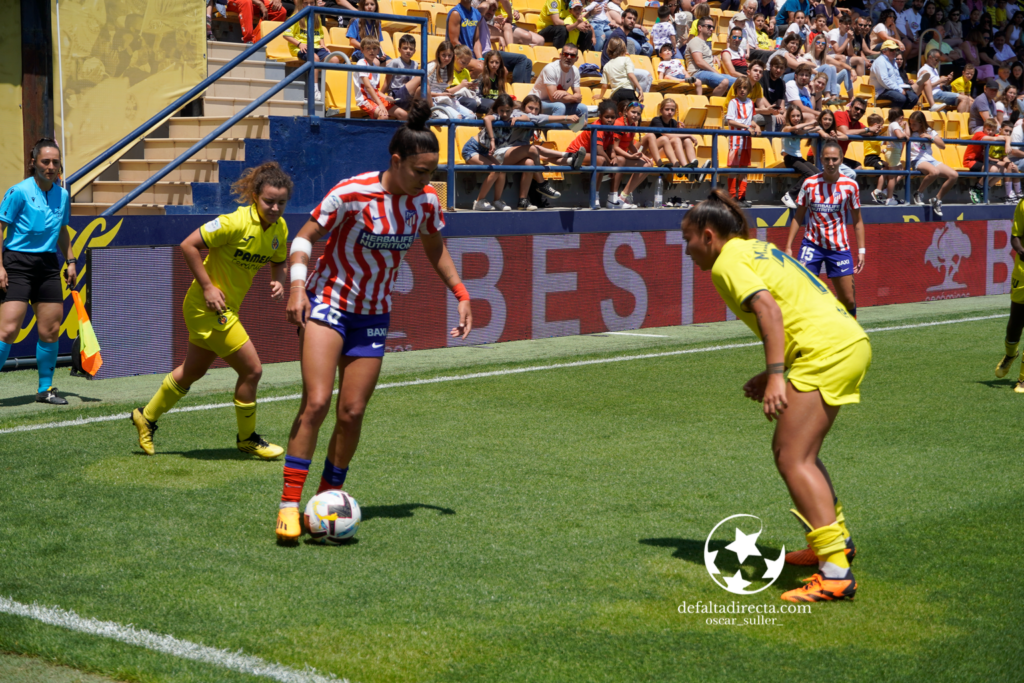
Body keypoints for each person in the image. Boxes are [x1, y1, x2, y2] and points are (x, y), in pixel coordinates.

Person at [276, 99, 473, 542]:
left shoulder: (424, 202)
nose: (428, 181)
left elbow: (434, 247)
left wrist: (460, 293)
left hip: (374, 313)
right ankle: (289, 505)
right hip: (329, 303)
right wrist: (295, 287)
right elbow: (304, 237)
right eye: (421, 171)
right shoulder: (352, 192)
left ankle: (327, 499)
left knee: (352, 411)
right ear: (397, 161)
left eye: (433, 173)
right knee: (318, 402)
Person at [681, 187, 868, 603]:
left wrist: (778, 375)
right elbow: (790, 304)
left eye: (687, 238)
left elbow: (769, 309)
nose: (687, 248)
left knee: (791, 456)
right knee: (803, 453)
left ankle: (836, 572)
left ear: (708, 235)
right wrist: (771, 372)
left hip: (827, 350)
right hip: (839, 342)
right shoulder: (752, 249)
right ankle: (832, 546)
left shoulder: (726, 264)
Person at [131, 163, 292, 457]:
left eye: (281, 202)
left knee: (193, 371)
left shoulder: (279, 228)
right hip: (206, 307)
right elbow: (188, 245)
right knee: (252, 370)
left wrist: (278, 280)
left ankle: (146, 416)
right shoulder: (233, 222)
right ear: (256, 196)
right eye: (269, 201)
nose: (275, 208)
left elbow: (279, 260)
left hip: (226, 308)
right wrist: (207, 286)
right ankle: (247, 439)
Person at [0, 140, 75, 405]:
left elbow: (62, 231)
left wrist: (71, 261)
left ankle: (46, 389)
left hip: (47, 265)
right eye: (46, 161)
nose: (51, 167)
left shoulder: (62, 195)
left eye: (55, 162)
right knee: (8, 330)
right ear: (34, 162)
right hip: (17, 264)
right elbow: (0, 229)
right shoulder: (18, 192)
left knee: (51, 330)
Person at [784, 140, 865, 322]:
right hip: (812, 245)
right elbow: (798, 216)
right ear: (820, 159)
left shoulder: (851, 186)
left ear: (841, 159)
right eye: (827, 159)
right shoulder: (810, 183)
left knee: (848, 299)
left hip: (839, 248)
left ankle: (849, 335)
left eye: (834, 159)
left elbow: (857, 220)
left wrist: (861, 251)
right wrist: (788, 246)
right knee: (803, 294)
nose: (830, 163)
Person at [284, 0, 342, 102]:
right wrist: (299, 44)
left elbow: (320, 34)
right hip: (300, 47)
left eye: (312, 3)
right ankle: (314, 90)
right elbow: (286, 35)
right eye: (306, 3)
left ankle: (332, 91)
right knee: (314, 58)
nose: (309, 5)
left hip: (316, 46)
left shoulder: (316, 17)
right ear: (301, 4)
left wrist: (323, 44)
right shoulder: (295, 17)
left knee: (335, 59)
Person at [994, 200, 1024, 390]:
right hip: (1022, 273)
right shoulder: (1023, 205)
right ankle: (1011, 354)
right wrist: (1021, 250)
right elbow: (1015, 237)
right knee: (1015, 323)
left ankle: (1022, 379)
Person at [566, 99, 620, 207]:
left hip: (589, 155)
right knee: (601, 160)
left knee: (617, 161)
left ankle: (612, 198)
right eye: (607, 117)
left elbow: (609, 147)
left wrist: (613, 158)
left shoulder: (611, 128)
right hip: (575, 154)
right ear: (600, 116)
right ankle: (594, 196)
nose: (609, 120)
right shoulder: (597, 126)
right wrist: (609, 164)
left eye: (612, 117)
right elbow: (599, 150)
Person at [906, 110, 956, 216]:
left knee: (954, 175)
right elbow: (903, 136)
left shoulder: (929, 131)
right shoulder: (909, 132)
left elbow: (942, 146)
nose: (912, 126)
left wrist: (931, 138)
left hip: (930, 159)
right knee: (934, 172)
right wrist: (906, 125)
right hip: (916, 160)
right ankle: (918, 193)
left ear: (921, 123)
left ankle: (937, 199)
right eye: (910, 123)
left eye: (914, 124)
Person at [606, 100, 654, 209]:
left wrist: (642, 155)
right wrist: (631, 156)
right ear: (626, 111)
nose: (636, 115)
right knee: (622, 160)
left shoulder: (632, 124)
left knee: (648, 165)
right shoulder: (619, 124)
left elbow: (630, 145)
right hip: (611, 155)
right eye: (633, 112)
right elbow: (616, 147)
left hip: (623, 155)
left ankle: (622, 197)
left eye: (638, 113)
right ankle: (612, 198)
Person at [476, 0, 536, 83]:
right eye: (489, 8)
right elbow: (479, 9)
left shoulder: (485, 23)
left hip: (489, 52)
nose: (491, 12)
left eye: (494, 10)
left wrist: (498, 38)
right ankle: (517, 89)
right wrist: (490, 2)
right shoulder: (478, 17)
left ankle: (525, 91)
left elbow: (483, 38)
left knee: (528, 62)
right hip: (484, 54)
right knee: (521, 59)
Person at [780, 105, 826, 208]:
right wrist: (811, 123)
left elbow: (803, 130)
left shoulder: (799, 130)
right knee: (809, 174)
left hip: (799, 158)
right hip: (790, 158)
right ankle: (790, 195)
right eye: (793, 116)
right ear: (789, 117)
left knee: (819, 174)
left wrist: (816, 128)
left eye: (798, 116)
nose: (796, 118)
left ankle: (807, 197)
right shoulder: (786, 128)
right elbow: (796, 127)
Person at [964, 116, 1015, 203]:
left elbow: (1007, 137)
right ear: (983, 128)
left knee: (1005, 169)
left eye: (992, 130)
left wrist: (1007, 144)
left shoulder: (992, 134)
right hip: (971, 162)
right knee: (994, 169)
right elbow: (995, 139)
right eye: (988, 129)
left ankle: (984, 190)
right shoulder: (979, 134)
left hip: (982, 162)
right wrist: (1005, 140)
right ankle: (976, 189)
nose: (990, 132)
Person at [530, 43, 589, 117]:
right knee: (560, 107)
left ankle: (575, 128)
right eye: (566, 54)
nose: (569, 57)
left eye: (572, 55)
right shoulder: (550, 69)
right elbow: (553, 98)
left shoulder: (575, 71)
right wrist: (569, 95)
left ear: (576, 58)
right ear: (560, 55)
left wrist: (566, 93)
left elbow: (579, 98)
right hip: (537, 102)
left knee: (582, 108)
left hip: (557, 102)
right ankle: (553, 128)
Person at [726, 76, 760, 206]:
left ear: (749, 89)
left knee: (744, 169)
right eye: (739, 88)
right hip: (735, 140)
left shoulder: (750, 103)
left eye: (745, 88)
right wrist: (747, 127)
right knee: (734, 169)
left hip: (747, 140)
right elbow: (730, 120)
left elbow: (750, 119)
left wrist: (755, 126)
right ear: (736, 89)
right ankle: (731, 197)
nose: (742, 90)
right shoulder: (733, 103)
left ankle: (742, 197)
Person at [685, 16, 736, 96]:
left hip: (708, 73)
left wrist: (713, 56)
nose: (711, 29)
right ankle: (711, 104)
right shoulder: (695, 41)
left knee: (741, 83)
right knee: (724, 81)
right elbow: (699, 62)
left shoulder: (704, 43)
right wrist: (715, 72)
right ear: (700, 28)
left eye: (712, 27)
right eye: (709, 26)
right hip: (698, 73)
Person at [427, 40, 477, 119]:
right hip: (433, 101)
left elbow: (443, 90)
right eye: (444, 55)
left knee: (471, 116)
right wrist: (442, 94)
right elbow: (424, 91)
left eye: (449, 55)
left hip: (445, 99)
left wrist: (448, 94)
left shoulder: (449, 69)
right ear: (438, 54)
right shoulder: (432, 67)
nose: (447, 58)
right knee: (457, 117)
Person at [647, 97, 701, 170]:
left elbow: (678, 137)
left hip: (667, 151)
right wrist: (688, 134)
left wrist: (681, 130)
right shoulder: (656, 120)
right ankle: (685, 167)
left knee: (687, 140)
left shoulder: (674, 122)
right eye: (667, 109)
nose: (670, 112)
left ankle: (694, 164)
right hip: (654, 153)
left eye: (672, 110)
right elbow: (666, 135)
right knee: (676, 140)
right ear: (661, 110)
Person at [382, 35, 424, 121]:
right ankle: (428, 112)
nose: (408, 51)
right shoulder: (395, 63)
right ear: (399, 49)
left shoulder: (415, 64)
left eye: (411, 49)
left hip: (409, 98)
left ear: (414, 51)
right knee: (421, 75)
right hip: (396, 95)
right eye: (405, 48)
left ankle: (420, 114)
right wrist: (383, 98)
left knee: (422, 88)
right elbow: (386, 83)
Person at [870, 39, 918, 107]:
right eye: (892, 50)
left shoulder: (893, 61)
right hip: (882, 91)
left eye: (895, 49)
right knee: (900, 98)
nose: (894, 52)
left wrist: (903, 86)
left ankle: (902, 114)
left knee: (914, 98)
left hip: (892, 89)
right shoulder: (880, 62)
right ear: (884, 51)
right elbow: (884, 81)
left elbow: (897, 77)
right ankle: (893, 115)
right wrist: (900, 90)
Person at [596, 37, 645, 103]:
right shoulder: (626, 59)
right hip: (628, 92)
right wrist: (640, 88)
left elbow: (604, 85)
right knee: (635, 110)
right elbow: (630, 74)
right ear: (624, 49)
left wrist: (601, 96)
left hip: (615, 94)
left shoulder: (606, 65)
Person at [448, 0, 485, 75]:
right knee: (481, 67)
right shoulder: (456, 13)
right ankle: (460, 82)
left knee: (500, 69)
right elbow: (454, 42)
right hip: (458, 55)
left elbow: (476, 41)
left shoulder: (476, 13)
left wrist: (480, 59)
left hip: (471, 56)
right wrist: (468, 58)